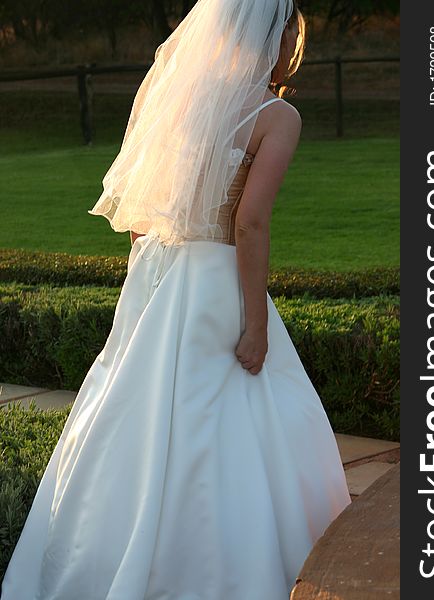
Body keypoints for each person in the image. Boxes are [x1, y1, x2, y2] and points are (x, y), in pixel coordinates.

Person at [1, 1, 352, 599]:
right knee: (238, 419)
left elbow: (143, 214)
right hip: (217, 281)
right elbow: (249, 226)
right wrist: (255, 323)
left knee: (132, 418)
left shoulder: (173, 101)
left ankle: (104, 559)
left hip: (161, 274)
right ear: (280, 38)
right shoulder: (276, 117)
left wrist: (153, 285)